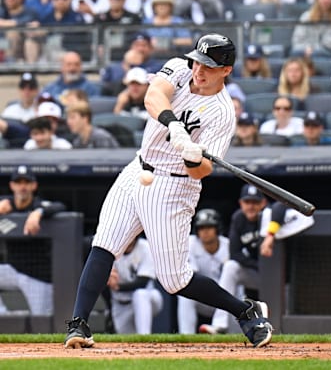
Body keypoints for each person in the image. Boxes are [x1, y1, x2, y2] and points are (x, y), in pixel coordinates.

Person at [63, 33, 273, 349]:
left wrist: (193, 157)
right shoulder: (179, 67)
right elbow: (153, 97)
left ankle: (245, 310)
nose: (199, 70)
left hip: (175, 186)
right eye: (198, 61)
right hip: (138, 169)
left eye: (209, 66)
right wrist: (174, 125)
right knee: (104, 244)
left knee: (175, 281)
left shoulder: (222, 113)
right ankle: (78, 325)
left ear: (226, 70)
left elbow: (204, 170)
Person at [198, 186, 266, 334]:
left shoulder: (269, 217)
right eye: (247, 202)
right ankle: (219, 324)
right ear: (241, 203)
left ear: (263, 203)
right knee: (231, 266)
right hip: (257, 271)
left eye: (255, 202)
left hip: (278, 277)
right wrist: (257, 265)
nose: (251, 206)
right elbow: (234, 253)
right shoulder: (239, 218)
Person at [0, 166, 66, 315]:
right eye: (18, 182)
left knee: (43, 320)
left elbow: (60, 206)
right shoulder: (6, 204)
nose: (22, 186)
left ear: (33, 185)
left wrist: (38, 213)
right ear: (12, 186)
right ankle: (4, 315)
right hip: (12, 270)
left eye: (26, 182)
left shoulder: (38, 204)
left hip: (36, 275)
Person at [177, 209, 231, 334]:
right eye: (201, 228)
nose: (205, 231)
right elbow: (191, 275)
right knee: (184, 295)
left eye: (209, 227)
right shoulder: (189, 243)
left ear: (217, 228)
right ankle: (186, 335)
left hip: (226, 299)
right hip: (202, 297)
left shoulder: (228, 245)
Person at [107, 236, 163, 334]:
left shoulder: (145, 247)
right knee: (127, 341)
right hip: (120, 304)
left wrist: (118, 287)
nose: (127, 237)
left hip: (148, 298)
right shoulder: (110, 248)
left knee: (140, 294)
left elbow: (143, 282)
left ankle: (145, 335)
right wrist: (107, 280)